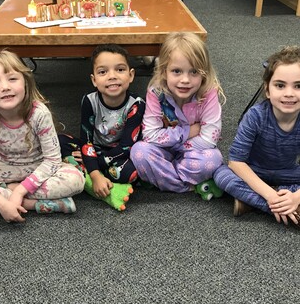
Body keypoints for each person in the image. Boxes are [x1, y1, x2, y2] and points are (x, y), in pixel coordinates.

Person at [0, 50, 85, 222]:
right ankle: (33, 204)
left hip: (40, 166)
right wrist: (0, 202)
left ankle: (14, 196)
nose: (5, 87)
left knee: (76, 179)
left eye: (12, 79)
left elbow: (53, 161)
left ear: (25, 82)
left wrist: (20, 189)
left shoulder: (39, 113)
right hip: (4, 167)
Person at [214, 46, 300, 227]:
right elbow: (236, 161)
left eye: (298, 86)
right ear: (267, 90)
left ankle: (250, 202)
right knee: (220, 174)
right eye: (280, 85)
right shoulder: (256, 115)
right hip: (255, 170)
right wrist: (271, 196)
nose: (289, 93)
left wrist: (296, 196)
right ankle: (284, 207)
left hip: (288, 174)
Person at [130, 32, 224, 194]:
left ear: (204, 73)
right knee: (139, 151)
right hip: (163, 151)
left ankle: (163, 178)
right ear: (164, 71)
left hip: (193, 151)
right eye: (177, 71)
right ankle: (188, 185)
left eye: (194, 72)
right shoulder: (156, 92)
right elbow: (149, 135)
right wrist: (188, 131)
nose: (185, 80)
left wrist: (176, 144)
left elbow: (209, 140)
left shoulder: (208, 93)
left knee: (213, 159)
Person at [59, 44, 145, 210]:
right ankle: (95, 178)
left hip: (119, 154)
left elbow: (127, 146)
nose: (112, 76)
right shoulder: (89, 101)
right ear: (94, 80)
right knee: (59, 141)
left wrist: (93, 163)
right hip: (94, 148)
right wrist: (96, 173)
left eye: (120, 70)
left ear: (131, 75)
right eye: (103, 72)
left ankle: (83, 174)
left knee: (130, 172)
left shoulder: (137, 105)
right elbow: (86, 138)